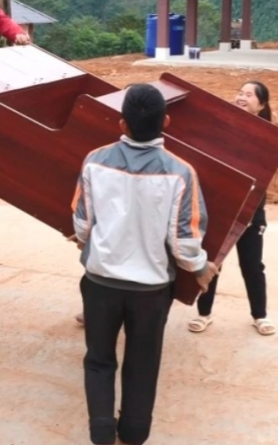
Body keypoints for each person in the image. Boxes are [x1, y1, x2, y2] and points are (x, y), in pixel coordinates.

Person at [72, 83, 218, 445]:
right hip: (151, 290)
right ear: (166, 122)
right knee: (142, 363)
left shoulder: (94, 161)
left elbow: (81, 224)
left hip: (101, 282)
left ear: (122, 124)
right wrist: (201, 268)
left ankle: (101, 432)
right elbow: (184, 244)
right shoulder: (181, 172)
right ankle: (134, 433)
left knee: (99, 359)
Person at [188, 81, 278, 337]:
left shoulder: (268, 134)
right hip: (220, 207)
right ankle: (203, 314)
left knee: (252, 265)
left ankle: (260, 316)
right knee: (212, 261)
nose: (241, 97)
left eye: (249, 95)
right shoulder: (224, 125)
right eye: (240, 92)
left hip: (251, 210)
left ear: (261, 105)